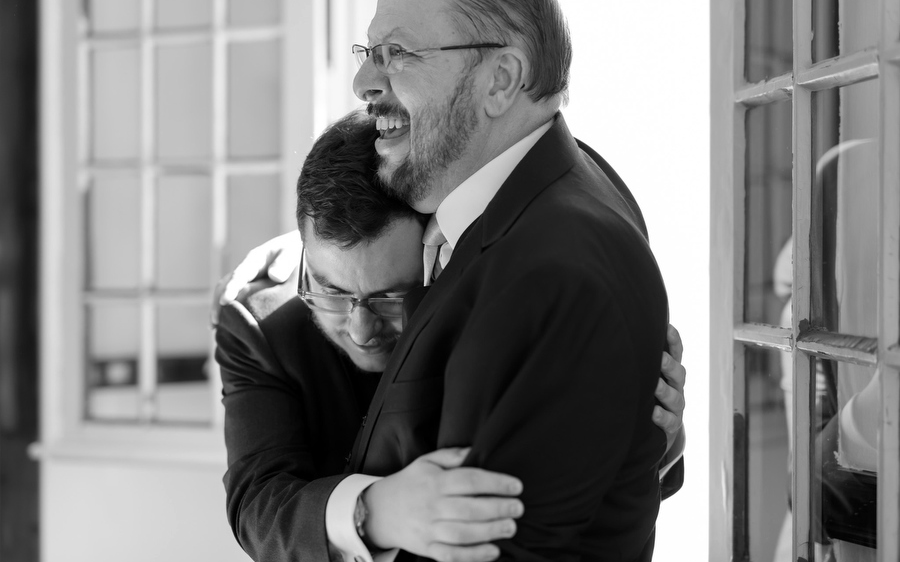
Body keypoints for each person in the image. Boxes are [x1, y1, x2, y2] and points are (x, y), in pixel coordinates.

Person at [216, 111, 686, 562]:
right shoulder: (257, 320)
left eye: (390, 296)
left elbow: (550, 494)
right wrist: (377, 512)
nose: (361, 329)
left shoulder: (493, 292)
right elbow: (258, 504)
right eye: (330, 291)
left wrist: (648, 439)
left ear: (439, 246)